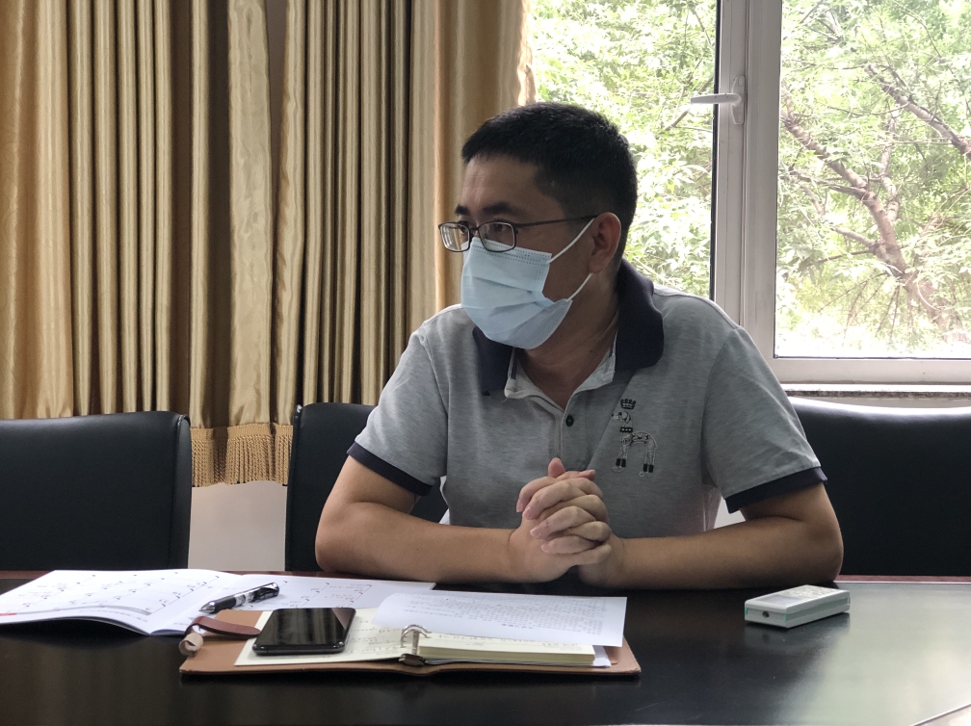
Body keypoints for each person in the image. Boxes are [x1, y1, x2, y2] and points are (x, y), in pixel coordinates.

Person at [315, 102, 843, 588]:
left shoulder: (701, 342)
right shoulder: (447, 345)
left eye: (502, 227)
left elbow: (812, 539)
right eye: (468, 228)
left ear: (598, 241)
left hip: (649, 642)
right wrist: (514, 554)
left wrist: (619, 560)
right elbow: (342, 529)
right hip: (476, 640)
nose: (477, 254)